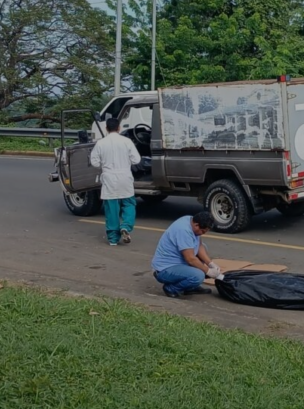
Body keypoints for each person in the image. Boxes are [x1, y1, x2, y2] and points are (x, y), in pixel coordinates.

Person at [90, 117, 141, 246]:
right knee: (129, 204)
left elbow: (94, 162)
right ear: (119, 128)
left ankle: (113, 238)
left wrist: (105, 163)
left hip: (109, 178)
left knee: (111, 208)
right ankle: (126, 226)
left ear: (106, 128)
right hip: (125, 177)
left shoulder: (100, 143)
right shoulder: (127, 141)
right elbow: (136, 160)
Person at [151, 211, 222, 298]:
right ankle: (171, 288)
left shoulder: (191, 220)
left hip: (178, 264)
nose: (203, 234)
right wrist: (208, 271)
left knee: (204, 247)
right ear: (196, 225)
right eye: (203, 231)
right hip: (164, 270)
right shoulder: (183, 230)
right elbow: (190, 259)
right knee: (198, 276)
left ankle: (190, 287)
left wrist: (210, 263)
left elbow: (199, 246)